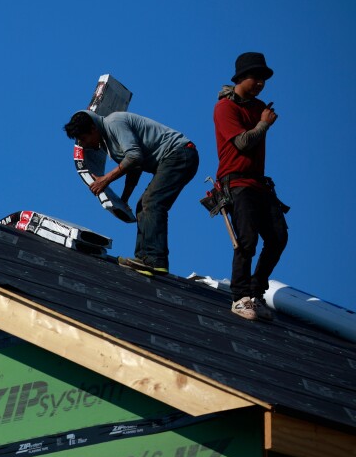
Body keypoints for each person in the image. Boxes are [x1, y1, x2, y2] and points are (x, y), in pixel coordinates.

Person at [64, 109, 198, 275]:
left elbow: (134, 157)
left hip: (179, 153)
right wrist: (124, 199)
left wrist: (105, 180)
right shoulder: (107, 142)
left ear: (93, 129)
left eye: (84, 138)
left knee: (152, 203)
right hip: (176, 157)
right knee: (143, 205)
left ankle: (155, 260)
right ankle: (143, 258)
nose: (84, 144)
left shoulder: (114, 123)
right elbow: (135, 167)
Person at [214, 52, 288, 322]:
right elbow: (243, 143)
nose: (260, 83)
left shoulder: (257, 107)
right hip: (236, 181)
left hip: (258, 183)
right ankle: (240, 296)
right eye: (255, 77)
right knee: (246, 238)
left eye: (263, 79)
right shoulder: (224, 107)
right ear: (241, 78)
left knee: (278, 236)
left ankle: (255, 292)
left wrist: (262, 121)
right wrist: (264, 124)